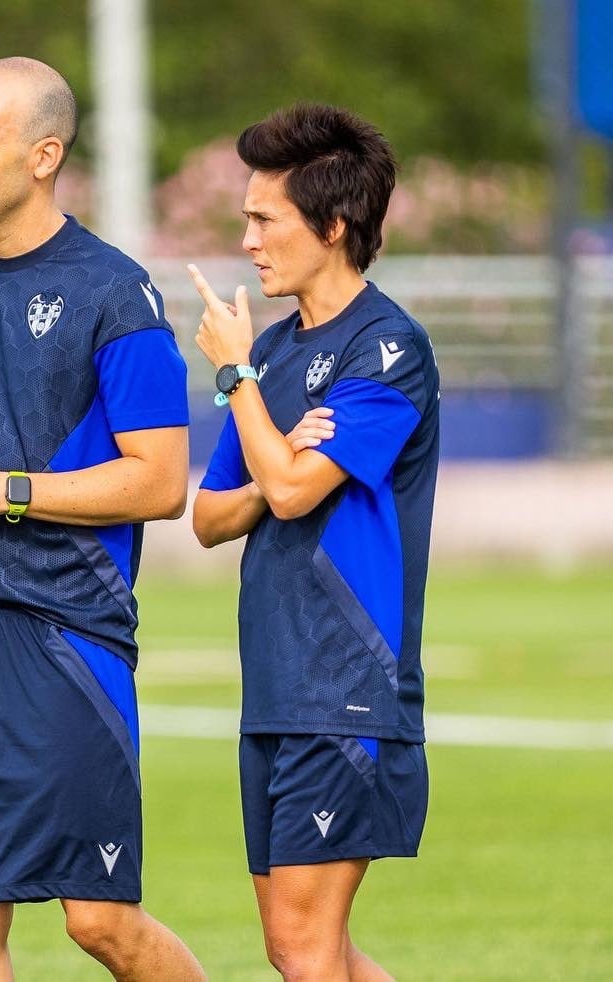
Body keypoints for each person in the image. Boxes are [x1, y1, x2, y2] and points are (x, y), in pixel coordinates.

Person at [0, 57, 205, 982]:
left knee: (98, 920)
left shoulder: (114, 294)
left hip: (64, 636)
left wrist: (5, 493)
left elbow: (160, 482)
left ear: (43, 154)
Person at [187, 103, 438, 981]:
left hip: (349, 690)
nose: (246, 239)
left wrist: (235, 375)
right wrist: (269, 442)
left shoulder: (389, 349)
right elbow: (211, 516)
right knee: (301, 948)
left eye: (264, 219)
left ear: (332, 226)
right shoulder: (278, 357)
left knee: (302, 948)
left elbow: (295, 494)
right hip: (279, 686)